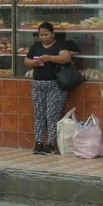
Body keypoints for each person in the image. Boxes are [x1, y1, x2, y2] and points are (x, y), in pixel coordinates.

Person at [23, 21, 72, 155]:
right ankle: (39, 143)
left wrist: (49, 58)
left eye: (46, 34)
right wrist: (34, 62)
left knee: (51, 115)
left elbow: (66, 58)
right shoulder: (36, 46)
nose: (44, 37)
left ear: (53, 33)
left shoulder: (60, 45)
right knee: (39, 115)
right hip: (38, 85)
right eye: (41, 35)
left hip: (55, 85)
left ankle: (50, 144)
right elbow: (26, 60)